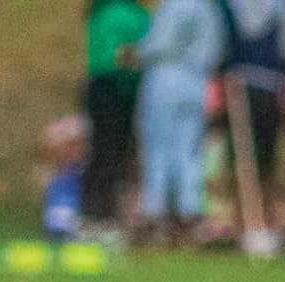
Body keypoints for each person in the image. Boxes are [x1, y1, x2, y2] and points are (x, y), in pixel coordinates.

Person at [135, 0, 226, 243]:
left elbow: (158, 44)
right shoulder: (210, 9)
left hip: (165, 77)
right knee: (189, 151)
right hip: (196, 81)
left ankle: (154, 213)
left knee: (158, 148)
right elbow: (216, 50)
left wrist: (137, 53)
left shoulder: (173, 6)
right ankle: (189, 212)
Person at [223, 0, 285, 258]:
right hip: (263, 84)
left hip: (249, 83)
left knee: (251, 160)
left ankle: (256, 225)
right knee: (258, 160)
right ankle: (253, 225)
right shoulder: (282, 7)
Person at [83, 0, 152, 233]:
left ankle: (103, 216)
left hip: (108, 88)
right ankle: (97, 218)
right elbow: (120, 56)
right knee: (108, 153)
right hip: (112, 89)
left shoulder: (104, 10)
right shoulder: (121, 13)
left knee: (109, 153)